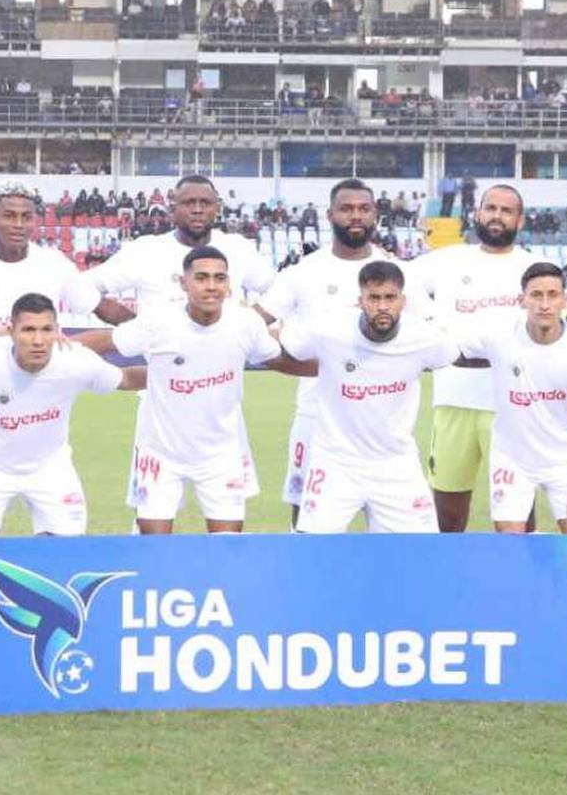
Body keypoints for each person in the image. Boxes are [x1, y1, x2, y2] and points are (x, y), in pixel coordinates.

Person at [0, 182, 130, 510]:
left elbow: (101, 307)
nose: (18, 224)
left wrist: (151, 331)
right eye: (9, 216)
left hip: (45, 403)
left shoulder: (54, 264)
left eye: (26, 216)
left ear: (35, 221)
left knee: (55, 519)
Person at [455, 262, 567, 691]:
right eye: (536, 295)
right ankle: (517, 652)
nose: (544, 303)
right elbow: (446, 344)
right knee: (510, 552)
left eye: (553, 295)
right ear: (522, 298)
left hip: (566, 463)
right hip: (512, 459)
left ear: (566, 298)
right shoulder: (497, 335)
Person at [79, 247, 308, 534]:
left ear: (229, 285)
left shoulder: (245, 323)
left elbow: (278, 359)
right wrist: (52, 350)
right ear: (183, 283)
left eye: (219, 278)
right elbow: (106, 341)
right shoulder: (158, 321)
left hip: (222, 455)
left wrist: (331, 369)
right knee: (154, 549)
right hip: (160, 454)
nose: (211, 286)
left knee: (227, 546)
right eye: (201, 277)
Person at [91, 173, 277, 511]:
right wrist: (131, 323)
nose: (197, 210)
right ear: (172, 207)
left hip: (221, 401)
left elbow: (278, 291)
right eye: (188, 203)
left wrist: (250, 324)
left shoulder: (238, 249)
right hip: (160, 396)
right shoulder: (147, 251)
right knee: (151, 517)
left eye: (204, 203)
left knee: (227, 519)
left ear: (217, 208)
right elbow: (88, 288)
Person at [0, 293, 146, 536]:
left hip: (50, 467)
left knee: (66, 553)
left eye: (46, 330)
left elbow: (126, 379)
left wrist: (180, 374)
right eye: (28, 330)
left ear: (57, 331)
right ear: (11, 331)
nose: (38, 340)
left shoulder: (76, 361)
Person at [404, 184, 543, 532]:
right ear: (478, 213)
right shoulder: (448, 260)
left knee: (517, 513)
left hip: (512, 404)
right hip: (454, 398)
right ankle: (448, 583)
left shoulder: (534, 267)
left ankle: (521, 583)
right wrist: (434, 323)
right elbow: (401, 282)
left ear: (520, 220)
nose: (497, 216)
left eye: (506, 210)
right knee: (448, 514)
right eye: (490, 208)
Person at [281, 261, 456, 535]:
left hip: (396, 463)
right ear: (360, 301)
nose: (383, 306)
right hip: (336, 461)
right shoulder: (328, 329)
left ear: (403, 301)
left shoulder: (426, 338)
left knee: (421, 554)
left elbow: (451, 355)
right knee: (312, 550)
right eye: (374, 298)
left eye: (390, 297)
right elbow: (288, 346)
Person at [256, 178, 392, 527]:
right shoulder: (304, 273)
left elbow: (425, 333)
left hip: (384, 419)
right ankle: (304, 575)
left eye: (363, 209)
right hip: (317, 415)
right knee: (306, 510)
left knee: (388, 518)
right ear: (330, 214)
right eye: (346, 209)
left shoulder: (398, 272)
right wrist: (296, 361)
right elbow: (254, 325)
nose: (355, 216)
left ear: (375, 214)